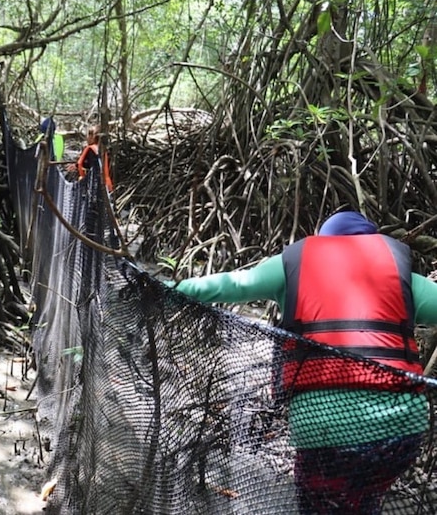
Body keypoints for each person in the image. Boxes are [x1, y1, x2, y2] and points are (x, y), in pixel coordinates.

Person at [174, 210, 437, 514]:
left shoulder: (293, 263)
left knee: (326, 503)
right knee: (362, 495)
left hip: (324, 429)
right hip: (400, 430)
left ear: (323, 239)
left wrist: (169, 287)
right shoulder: (397, 269)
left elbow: (229, 285)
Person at [67, 124, 112, 193]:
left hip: (93, 186)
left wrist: (81, 176)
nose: (87, 138)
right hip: (107, 184)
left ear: (92, 137)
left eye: (88, 135)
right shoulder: (104, 150)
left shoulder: (90, 149)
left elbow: (80, 164)